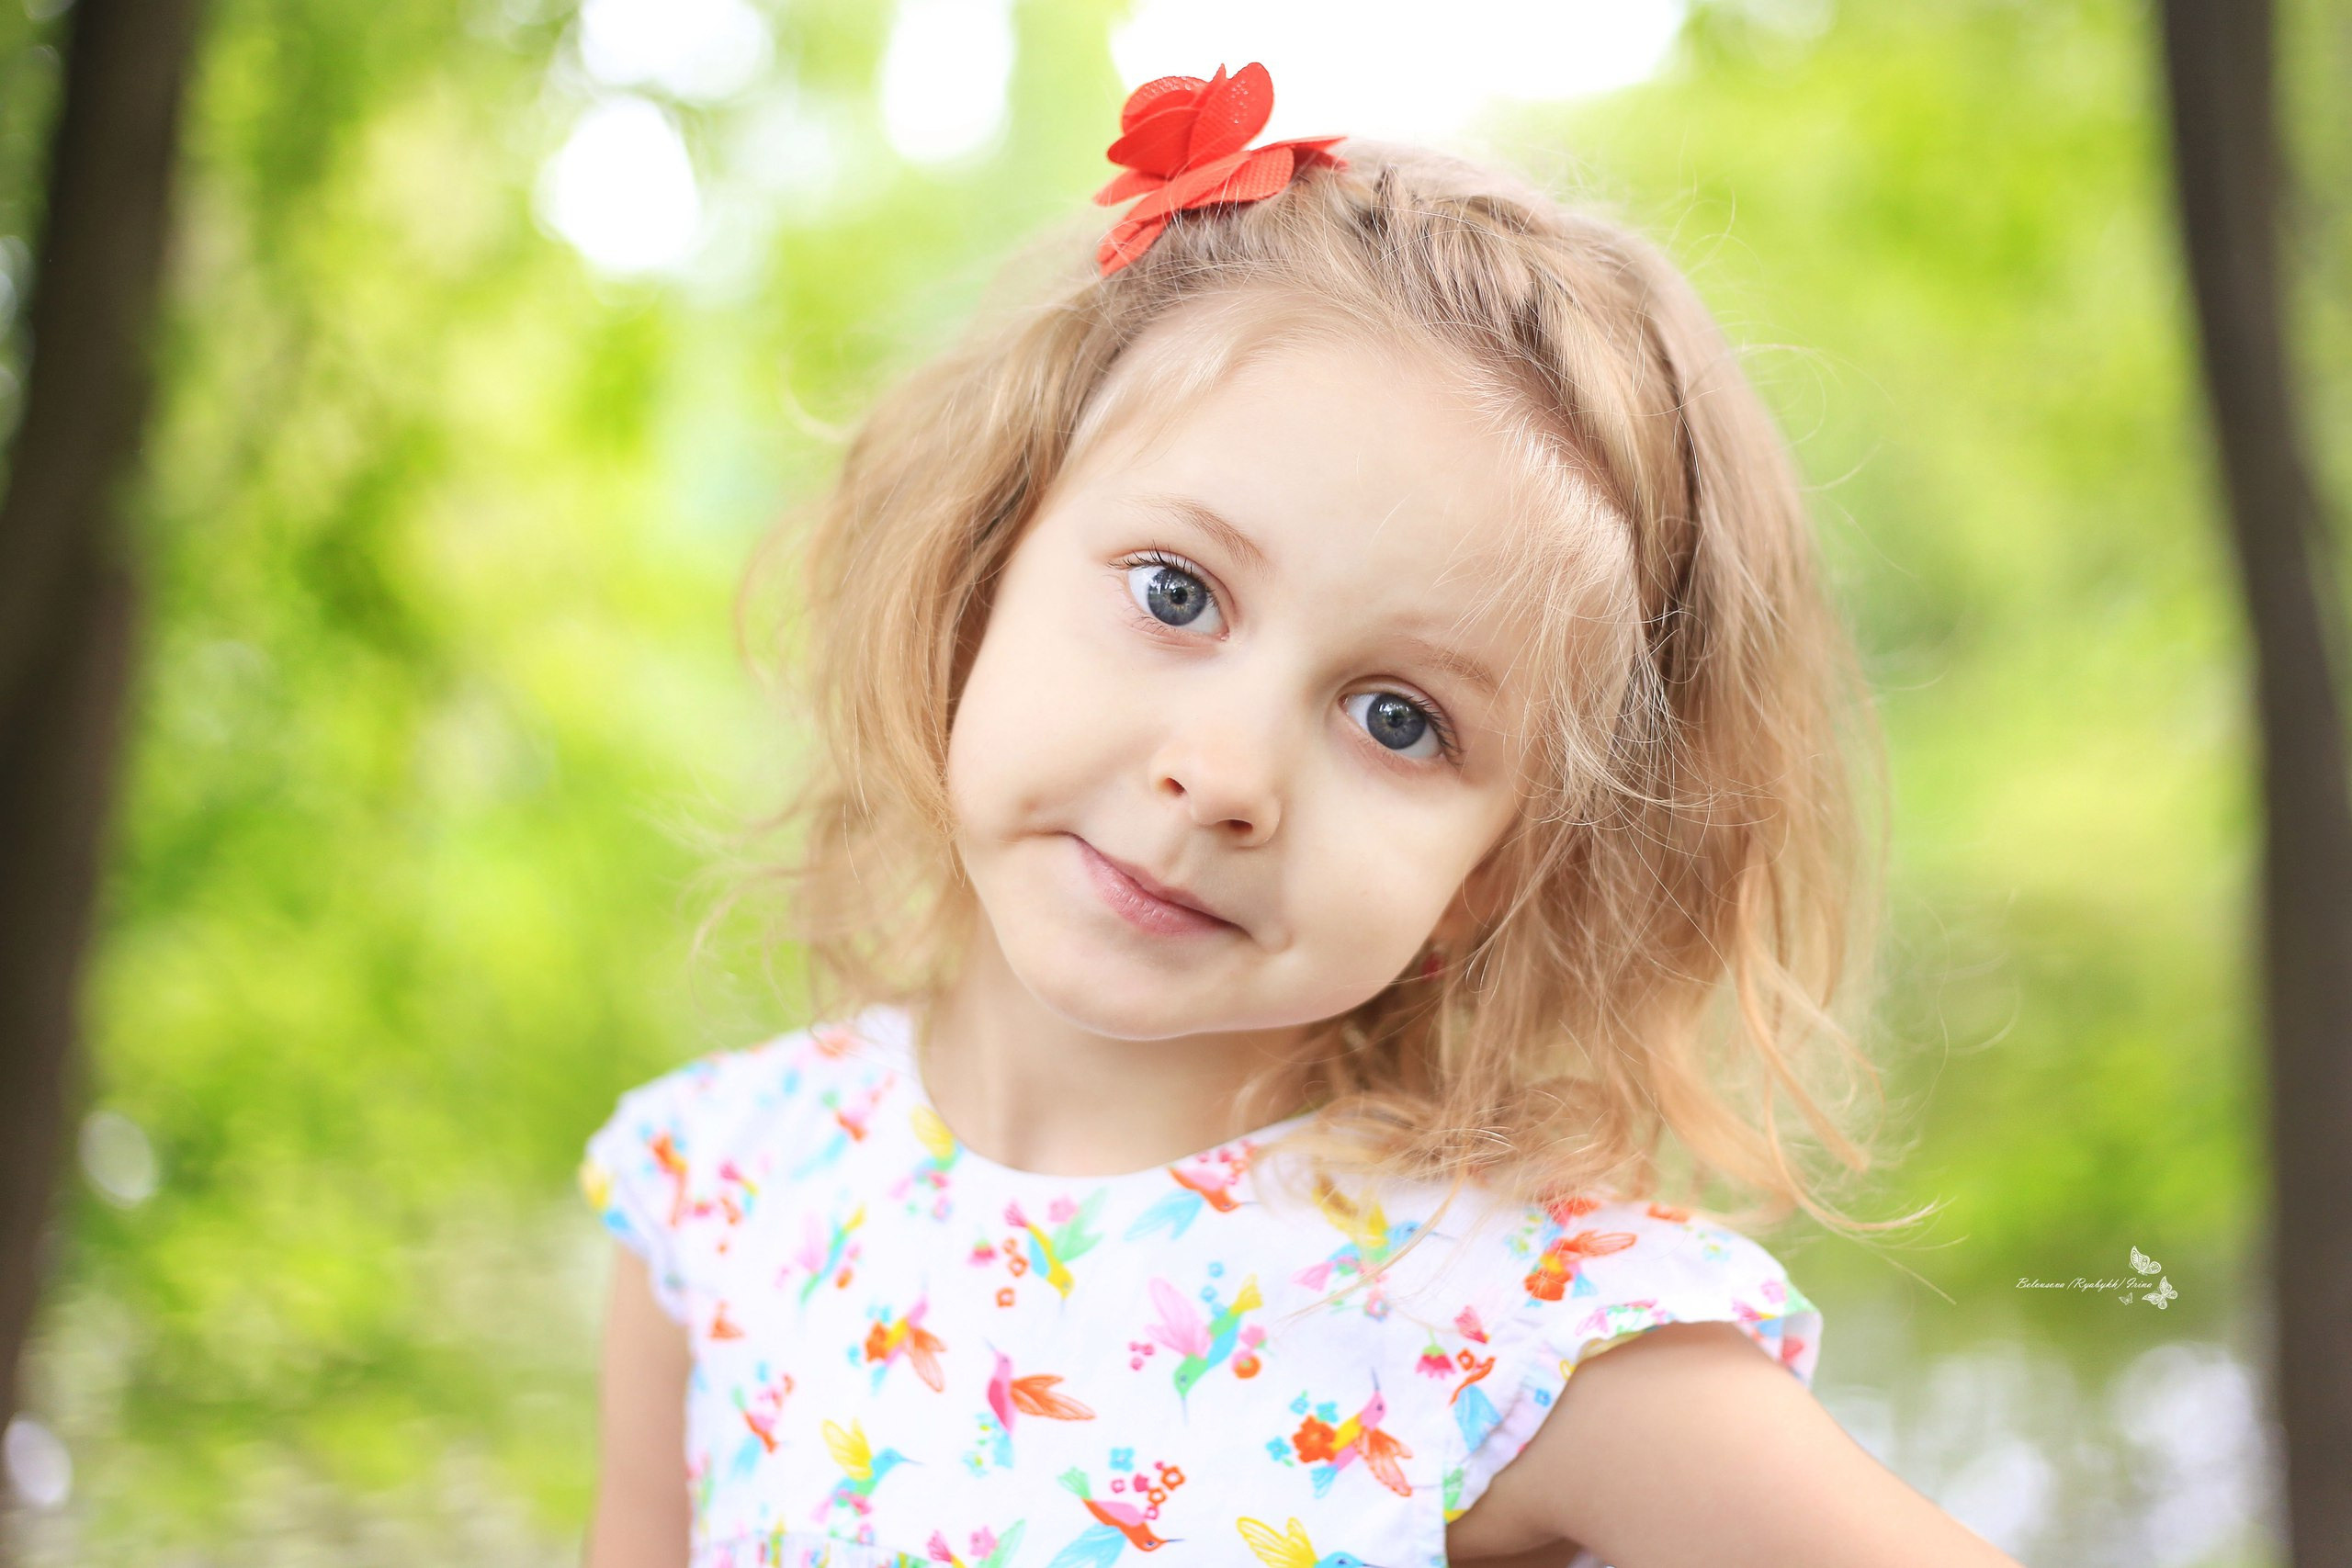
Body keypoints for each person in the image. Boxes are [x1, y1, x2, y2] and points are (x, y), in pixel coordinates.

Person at [578, 62, 2021, 1568]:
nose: (1226, 775)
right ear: (983, 566)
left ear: (1500, 867)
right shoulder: (721, 1188)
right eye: (1177, 593)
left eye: (1400, 718)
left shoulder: (1514, 1333)